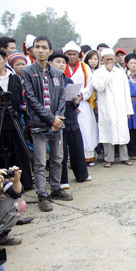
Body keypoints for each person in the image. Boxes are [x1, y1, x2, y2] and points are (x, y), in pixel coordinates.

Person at [20, 35, 72, 212]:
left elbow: (62, 99)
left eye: (44, 47)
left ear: (50, 51)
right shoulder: (27, 72)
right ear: (32, 50)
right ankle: (42, 194)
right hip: (38, 125)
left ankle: (56, 189)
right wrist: (50, 119)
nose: (40, 50)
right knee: (40, 162)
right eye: (37, 47)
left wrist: (58, 119)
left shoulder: (57, 73)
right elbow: (32, 100)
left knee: (58, 159)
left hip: (57, 124)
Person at [0, 48, 33, 190]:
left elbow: (19, 99)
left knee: (19, 152)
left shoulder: (15, 78)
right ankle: (0, 186)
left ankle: (24, 183)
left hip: (13, 121)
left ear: (5, 60)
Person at [48, 51, 90, 187]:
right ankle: (62, 180)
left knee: (77, 147)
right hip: (58, 119)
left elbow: (75, 101)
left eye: (63, 62)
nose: (61, 65)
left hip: (72, 117)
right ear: (50, 63)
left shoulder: (68, 80)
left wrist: (76, 100)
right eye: (58, 62)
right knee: (61, 152)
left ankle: (82, 175)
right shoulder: (46, 81)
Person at [92, 48, 134, 168]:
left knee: (122, 132)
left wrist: (128, 110)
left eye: (112, 59)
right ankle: (108, 158)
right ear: (102, 60)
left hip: (120, 108)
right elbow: (99, 87)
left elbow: (126, 92)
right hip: (106, 109)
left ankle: (124, 157)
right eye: (107, 59)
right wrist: (107, 74)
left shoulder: (120, 72)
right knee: (107, 133)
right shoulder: (98, 73)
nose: (110, 61)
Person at [63, 41, 99, 167]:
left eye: (74, 54)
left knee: (86, 130)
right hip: (66, 105)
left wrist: (80, 97)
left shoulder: (84, 67)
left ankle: (88, 157)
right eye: (69, 54)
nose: (72, 56)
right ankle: (73, 160)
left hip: (83, 103)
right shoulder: (62, 66)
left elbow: (89, 85)